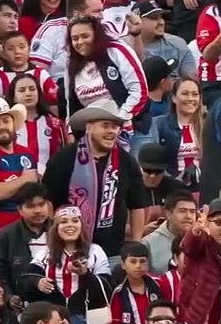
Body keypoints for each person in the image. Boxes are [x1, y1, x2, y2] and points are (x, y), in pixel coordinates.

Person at [43, 100, 149, 257]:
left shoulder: (127, 161)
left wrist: (135, 244)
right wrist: (52, 241)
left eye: (115, 126)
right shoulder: (64, 158)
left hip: (112, 251)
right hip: (68, 248)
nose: (111, 131)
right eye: (105, 125)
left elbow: (137, 206)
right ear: (89, 127)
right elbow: (49, 201)